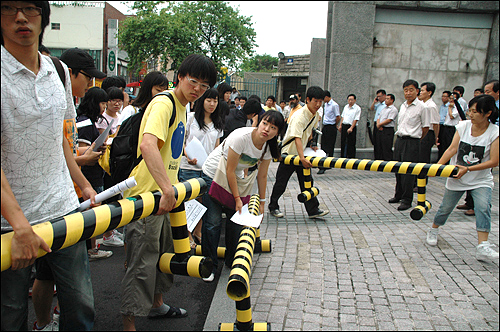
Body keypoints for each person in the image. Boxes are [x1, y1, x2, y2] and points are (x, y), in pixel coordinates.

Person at [1, 1, 97, 330]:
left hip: (62, 208)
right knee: (11, 312)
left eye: (30, 8)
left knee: (81, 305)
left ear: (44, 18)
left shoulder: (57, 70)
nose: (20, 17)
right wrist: (19, 225)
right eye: (8, 8)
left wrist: (82, 183)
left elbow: (59, 139)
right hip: (11, 223)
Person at [120, 54, 217, 330]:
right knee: (141, 263)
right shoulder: (164, 103)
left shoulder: (183, 107)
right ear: (180, 77)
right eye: (193, 81)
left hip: (166, 197)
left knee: (163, 256)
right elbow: (148, 146)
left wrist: (170, 191)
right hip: (147, 196)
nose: (197, 88)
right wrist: (166, 189)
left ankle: (157, 305)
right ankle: (128, 324)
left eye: (203, 85)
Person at [202, 110, 285, 281]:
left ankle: (231, 261)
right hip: (214, 175)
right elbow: (229, 170)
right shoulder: (241, 137)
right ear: (258, 122)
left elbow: (262, 176)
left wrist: (262, 202)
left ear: (277, 132)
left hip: (233, 178)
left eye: (273, 127)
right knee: (213, 222)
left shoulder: (268, 147)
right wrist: (238, 199)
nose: (267, 129)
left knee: (236, 221)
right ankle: (209, 266)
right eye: (265, 123)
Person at [426, 95, 499, 261]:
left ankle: (483, 246)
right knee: (445, 208)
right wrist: (437, 167)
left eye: (475, 112)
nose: (470, 114)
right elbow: (452, 149)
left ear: (487, 113)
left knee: (482, 207)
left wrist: (468, 168)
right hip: (457, 176)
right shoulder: (463, 126)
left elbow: (495, 161)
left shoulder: (495, 132)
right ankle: (434, 229)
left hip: (481, 179)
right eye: (470, 111)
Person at [269, 86, 329, 219]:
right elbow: (297, 137)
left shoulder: (315, 115)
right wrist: (302, 158)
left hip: (302, 154)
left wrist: (313, 144)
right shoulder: (299, 115)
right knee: (281, 183)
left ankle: (313, 209)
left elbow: (310, 132)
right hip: (290, 154)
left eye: (321, 102)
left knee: (307, 182)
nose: (318, 105)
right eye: (316, 101)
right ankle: (273, 206)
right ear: (307, 100)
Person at [179, 88, 224, 249]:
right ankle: (188, 234)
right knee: (189, 203)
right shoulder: (190, 118)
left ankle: (198, 232)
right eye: (208, 100)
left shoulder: (217, 123)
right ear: (202, 101)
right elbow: (182, 141)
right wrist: (186, 156)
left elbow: (217, 147)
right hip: (188, 167)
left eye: (215, 101)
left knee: (204, 203)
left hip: (207, 169)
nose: (212, 104)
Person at [389, 79, 430, 211]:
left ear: (417, 91)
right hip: (400, 140)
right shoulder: (402, 106)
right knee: (397, 169)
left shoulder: (422, 107)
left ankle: (407, 199)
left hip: (412, 141)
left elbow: (425, 128)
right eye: (406, 90)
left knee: (408, 172)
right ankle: (398, 194)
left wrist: (416, 139)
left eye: (411, 90)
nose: (408, 93)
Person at [418, 82, 440, 172]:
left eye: (423, 90)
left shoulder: (431, 106)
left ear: (429, 92)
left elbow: (435, 124)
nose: (420, 92)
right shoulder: (422, 104)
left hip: (428, 134)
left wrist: (435, 137)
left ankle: (422, 182)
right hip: (421, 133)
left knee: (423, 159)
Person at [318, 90, 340, 174]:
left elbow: (338, 116)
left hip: (331, 126)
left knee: (330, 145)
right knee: (324, 144)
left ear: (327, 97)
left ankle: (329, 163)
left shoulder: (334, 105)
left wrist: (335, 124)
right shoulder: (326, 105)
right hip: (325, 126)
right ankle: (324, 162)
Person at [375, 94, 398, 161]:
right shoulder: (384, 109)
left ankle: (387, 162)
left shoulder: (393, 109)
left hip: (388, 130)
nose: (386, 100)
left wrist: (380, 125)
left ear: (392, 100)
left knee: (386, 147)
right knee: (379, 146)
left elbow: (389, 119)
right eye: (385, 99)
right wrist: (378, 124)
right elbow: (378, 118)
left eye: (387, 99)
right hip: (380, 129)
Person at [338, 94, 361, 158]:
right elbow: (343, 117)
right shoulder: (346, 107)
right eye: (349, 100)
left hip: (351, 127)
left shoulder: (357, 108)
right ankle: (343, 156)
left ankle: (351, 157)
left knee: (351, 143)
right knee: (343, 142)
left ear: (355, 100)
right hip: (344, 125)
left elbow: (356, 119)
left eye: (352, 100)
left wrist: (351, 128)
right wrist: (340, 125)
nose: (350, 101)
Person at [370, 89, 386, 160]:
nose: (378, 98)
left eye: (380, 96)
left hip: (381, 124)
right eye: (377, 96)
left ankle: (381, 158)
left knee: (381, 142)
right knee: (375, 141)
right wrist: (374, 102)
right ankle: (376, 157)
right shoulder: (378, 104)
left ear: (384, 96)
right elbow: (372, 108)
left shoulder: (386, 105)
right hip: (376, 123)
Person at [437, 91, 452, 160]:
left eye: (445, 96)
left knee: (445, 144)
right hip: (440, 125)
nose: (443, 98)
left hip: (446, 126)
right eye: (442, 96)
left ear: (449, 98)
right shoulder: (442, 106)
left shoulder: (450, 106)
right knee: (440, 144)